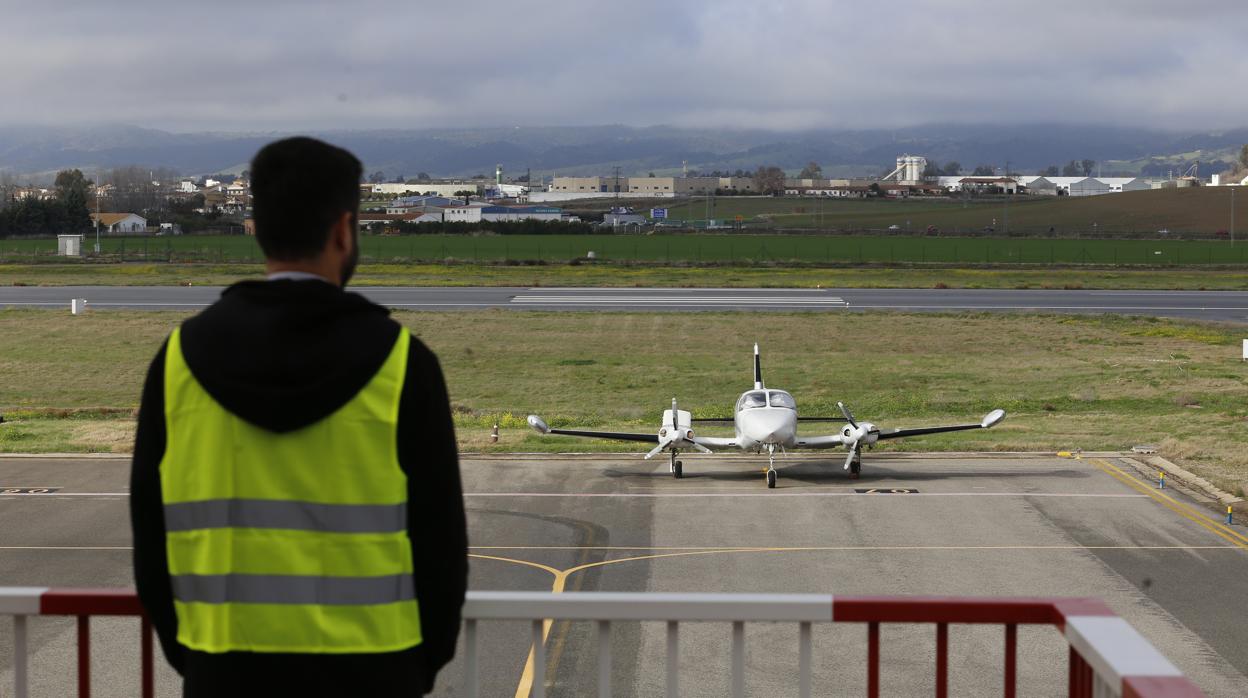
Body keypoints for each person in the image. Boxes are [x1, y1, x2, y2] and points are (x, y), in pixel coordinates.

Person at [130, 137, 467, 696]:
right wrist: (417, 666)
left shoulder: (177, 362)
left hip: (225, 672)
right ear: (343, 230)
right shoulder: (404, 364)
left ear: (256, 229)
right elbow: (441, 544)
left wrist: (195, 657)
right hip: (376, 671)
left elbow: (150, 534)